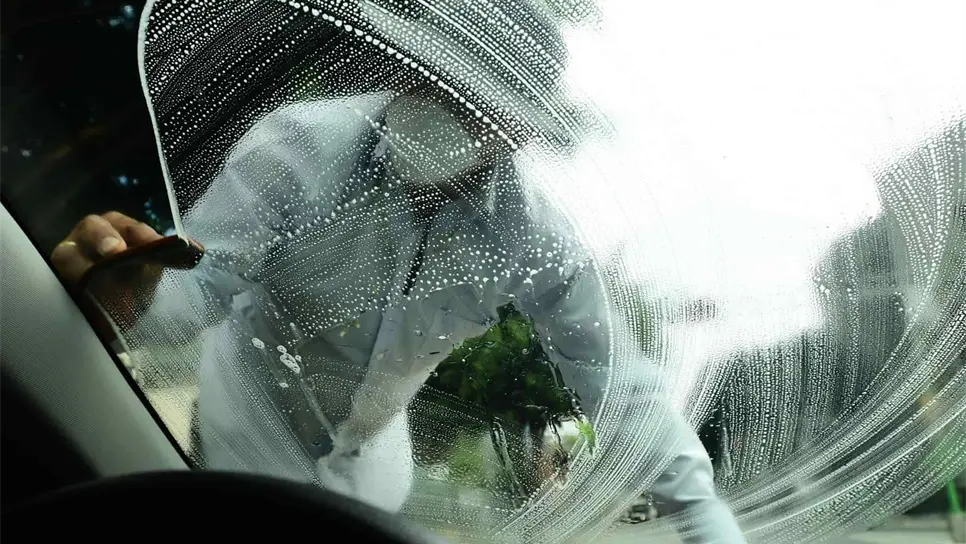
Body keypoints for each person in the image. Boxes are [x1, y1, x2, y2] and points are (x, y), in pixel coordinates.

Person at [51, 2, 745, 542]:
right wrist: (128, 299)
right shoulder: (298, 147)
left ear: (519, 129)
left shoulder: (533, 238)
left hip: (380, 476)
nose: (441, 103)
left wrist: (705, 521)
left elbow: (617, 385)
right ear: (403, 67)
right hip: (238, 437)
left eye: (474, 101)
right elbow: (200, 290)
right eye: (431, 78)